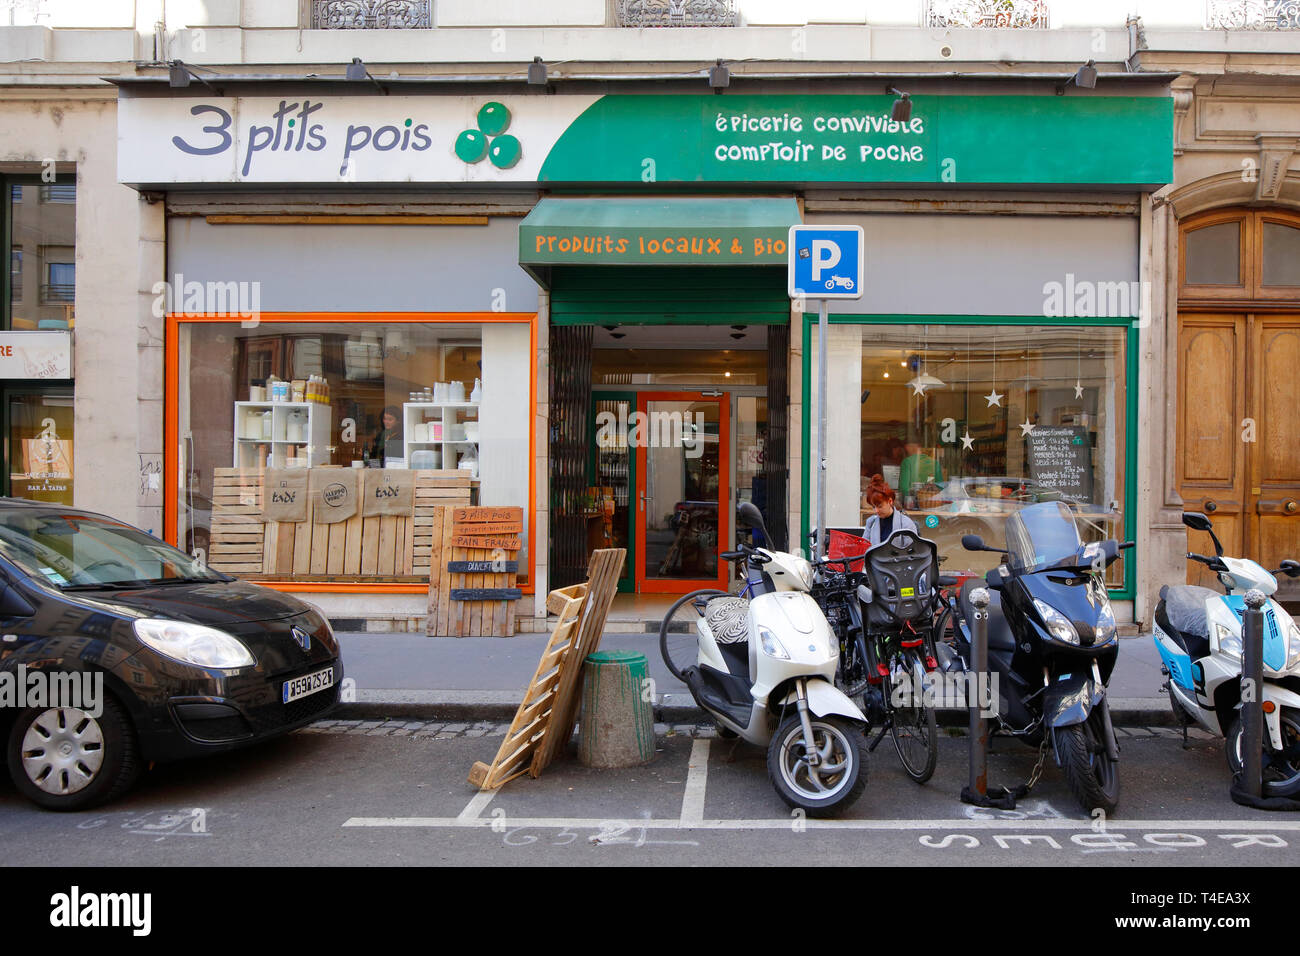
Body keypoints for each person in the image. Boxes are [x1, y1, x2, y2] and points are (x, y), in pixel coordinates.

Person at [861, 473, 918, 547]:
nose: (876, 511)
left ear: (890, 501)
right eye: (873, 507)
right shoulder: (871, 522)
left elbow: (912, 553)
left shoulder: (906, 524)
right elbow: (864, 548)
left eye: (880, 506)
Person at [897, 436, 943, 502]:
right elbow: (940, 487)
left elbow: (903, 488)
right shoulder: (935, 463)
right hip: (931, 504)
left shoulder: (907, 462)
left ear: (907, 447)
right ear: (920, 446)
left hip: (912, 504)